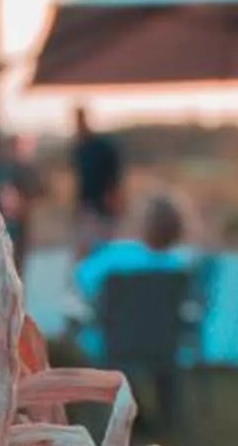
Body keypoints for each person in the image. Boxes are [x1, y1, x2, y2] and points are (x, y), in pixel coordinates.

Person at [71, 192, 194, 363]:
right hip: (167, 345)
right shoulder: (184, 265)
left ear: (142, 224)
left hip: (113, 343)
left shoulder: (115, 257)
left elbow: (82, 283)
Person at [70, 107, 125, 255]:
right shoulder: (79, 149)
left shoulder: (102, 147)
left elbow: (114, 174)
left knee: (104, 245)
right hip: (88, 205)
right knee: (86, 245)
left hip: (103, 205)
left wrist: (113, 196)